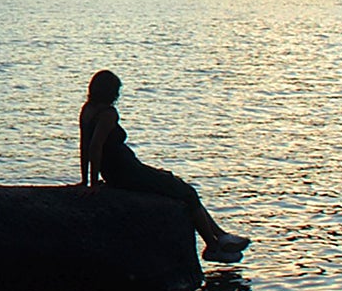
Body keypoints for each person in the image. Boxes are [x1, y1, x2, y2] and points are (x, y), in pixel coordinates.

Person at [79, 69, 249, 263]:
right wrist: (92, 185)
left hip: (118, 172)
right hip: (127, 171)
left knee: (171, 181)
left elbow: (84, 146)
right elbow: (95, 147)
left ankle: (221, 235)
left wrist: (85, 180)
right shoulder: (108, 114)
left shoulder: (87, 110)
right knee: (186, 192)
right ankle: (213, 245)